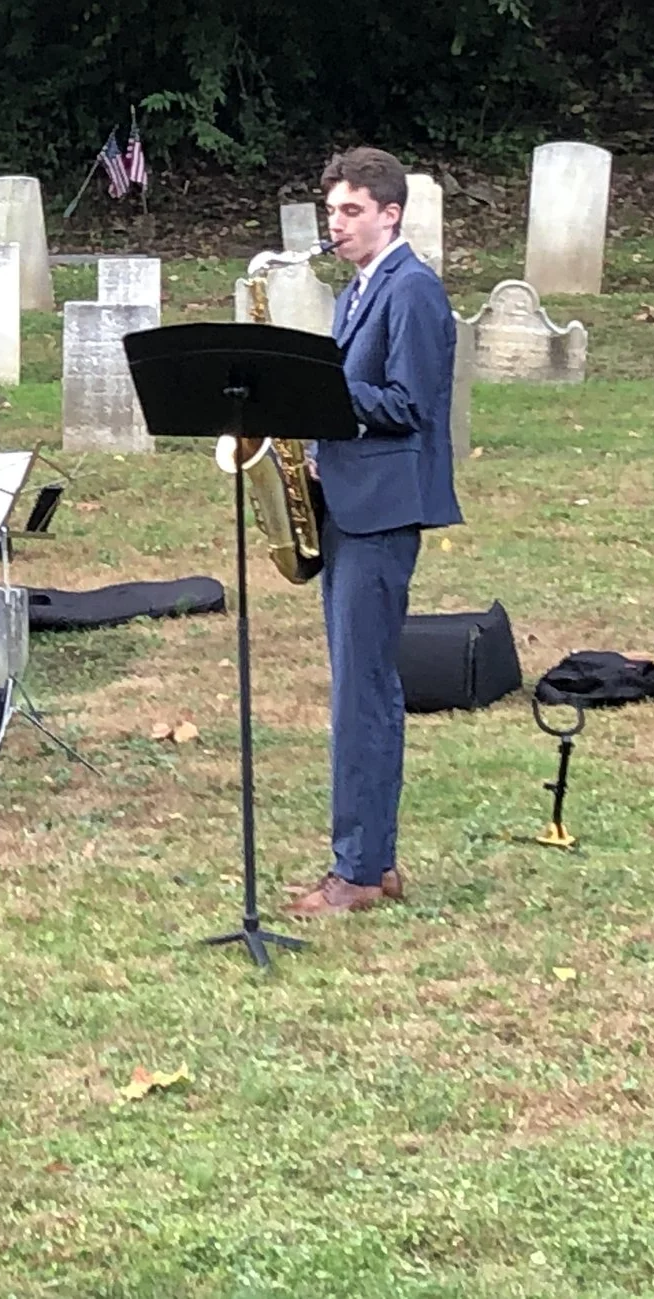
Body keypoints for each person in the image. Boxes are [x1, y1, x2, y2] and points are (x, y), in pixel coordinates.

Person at [287, 148, 462, 916]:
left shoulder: (413, 288)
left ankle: (356, 871)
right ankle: (374, 860)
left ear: (391, 212)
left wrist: (322, 392)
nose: (338, 225)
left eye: (352, 211)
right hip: (352, 503)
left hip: (383, 512)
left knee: (362, 692)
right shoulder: (361, 289)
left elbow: (412, 403)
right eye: (332, 212)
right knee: (362, 687)